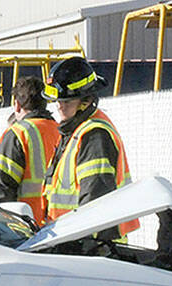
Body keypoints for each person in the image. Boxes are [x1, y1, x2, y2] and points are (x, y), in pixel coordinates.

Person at [41, 55, 138, 240]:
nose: (60, 107)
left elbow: (95, 201)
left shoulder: (94, 135)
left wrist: (84, 247)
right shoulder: (75, 132)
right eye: (58, 101)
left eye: (67, 102)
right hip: (71, 242)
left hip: (91, 248)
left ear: (85, 101)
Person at [0, 76, 61, 224]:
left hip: (27, 227)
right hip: (59, 224)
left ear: (17, 105)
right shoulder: (61, 131)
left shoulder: (17, 134)